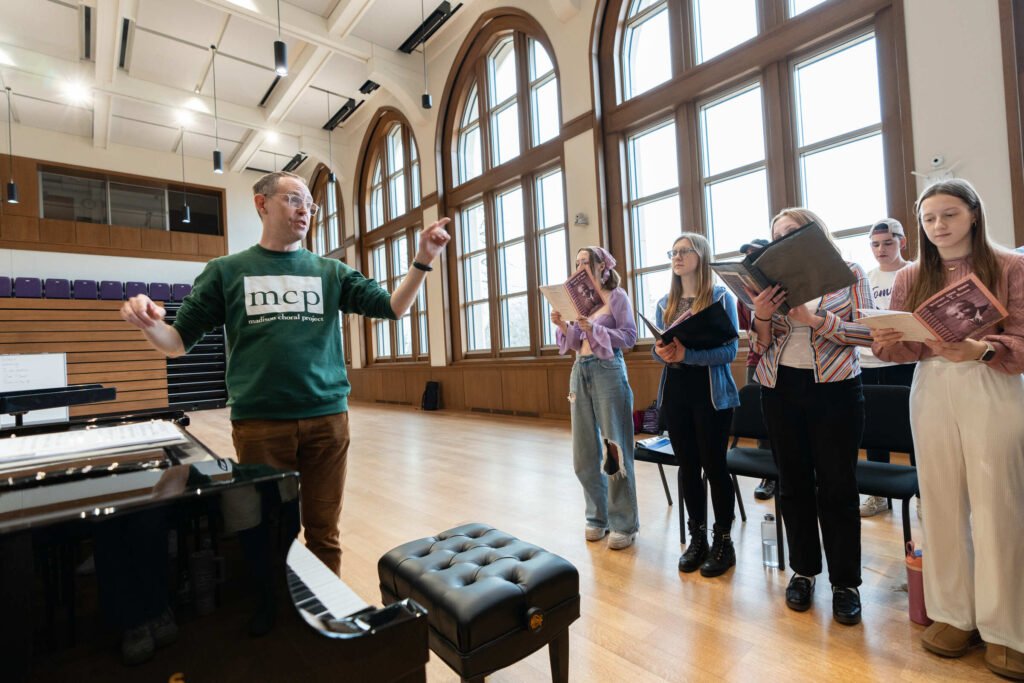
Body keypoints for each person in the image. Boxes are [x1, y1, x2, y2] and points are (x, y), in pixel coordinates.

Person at [120, 171, 451, 576]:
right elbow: (176, 343)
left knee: (324, 532)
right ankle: (273, 610)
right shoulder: (226, 271)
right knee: (268, 529)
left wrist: (423, 260)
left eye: (310, 205)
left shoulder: (331, 272)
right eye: (294, 199)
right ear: (261, 203)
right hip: (260, 423)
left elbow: (392, 308)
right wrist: (148, 322)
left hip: (328, 420)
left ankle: (327, 618)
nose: (305, 211)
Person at [872, 178, 1024, 680]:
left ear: (974, 215)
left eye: (949, 214)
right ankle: (954, 613)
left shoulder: (1010, 265)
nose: (939, 226)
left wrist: (984, 348)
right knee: (939, 499)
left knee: (998, 499)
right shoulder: (911, 275)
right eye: (930, 218)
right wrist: (890, 340)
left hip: (990, 383)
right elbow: (898, 349)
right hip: (930, 385)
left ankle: (1008, 628)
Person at [747, 208, 874, 626]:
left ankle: (845, 583)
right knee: (793, 483)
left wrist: (814, 319)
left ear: (814, 232)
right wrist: (762, 316)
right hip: (779, 390)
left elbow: (865, 335)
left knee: (838, 486)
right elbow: (760, 346)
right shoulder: (770, 286)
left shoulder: (850, 272)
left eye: (793, 231)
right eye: (777, 235)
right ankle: (803, 571)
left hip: (836, 391)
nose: (784, 238)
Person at [652, 233, 740, 577]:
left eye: (683, 251)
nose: (676, 257)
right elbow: (657, 348)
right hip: (676, 391)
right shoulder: (665, 303)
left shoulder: (720, 297)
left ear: (701, 256)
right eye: (672, 252)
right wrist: (661, 352)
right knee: (687, 467)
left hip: (711, 393)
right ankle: (697, 538)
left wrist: (689, 354)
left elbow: (730, 352)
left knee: (714, 467)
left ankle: (723, 542)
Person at [552, 246, 640, 550]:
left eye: (585, 263)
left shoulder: (617, 296)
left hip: (608, 370)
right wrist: (566, 327)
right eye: (576, 263)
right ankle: (596, 517)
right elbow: (577, 343)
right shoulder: (579, 301)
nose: (579, 268)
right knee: (584, 450)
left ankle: (623, 523)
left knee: (614, 446)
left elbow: (629, 337)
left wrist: (595, 330)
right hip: (581, 369)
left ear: (602, 266)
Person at [858, 219, 916, 517]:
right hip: (868, 362)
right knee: (874, 428)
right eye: (875, 244)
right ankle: (878, 495)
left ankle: (921, 493)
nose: (881, 249)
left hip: (905, 362)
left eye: (888, 243)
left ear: (902, 242)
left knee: (913, 428)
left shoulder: (914, 273)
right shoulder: (866, 277)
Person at [736, 238, 774, 500]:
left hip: (788, 362)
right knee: (763, 422)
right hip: (756, 361)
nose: (751, 261)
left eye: (756, 255)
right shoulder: (743, 294)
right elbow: (746, 331)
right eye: (747, 257)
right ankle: (768, 476)